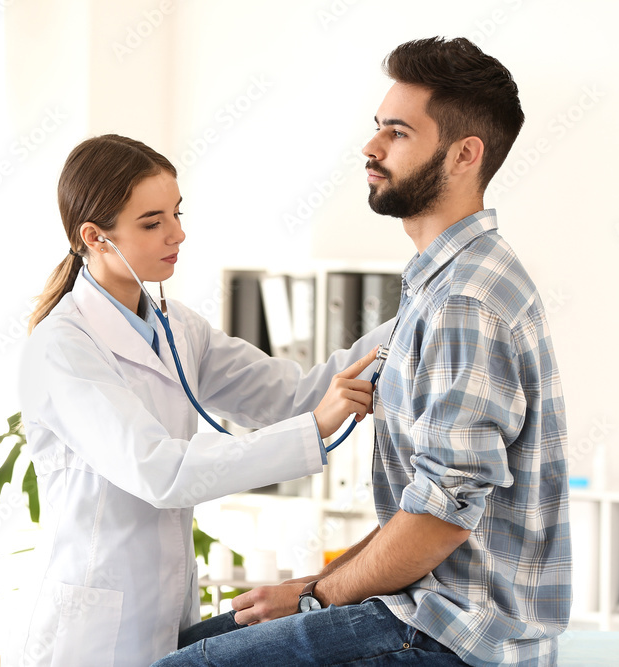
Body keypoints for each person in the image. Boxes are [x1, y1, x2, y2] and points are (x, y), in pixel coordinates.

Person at [154, 36, 570, 667]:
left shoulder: (464, 301)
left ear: (465, 154)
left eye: (397, 133)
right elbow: (424, 508)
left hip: (449, 638)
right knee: (189, 645)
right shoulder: (438, 286)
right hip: (424, 611)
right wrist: (311, 589)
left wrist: (313, 597)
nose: (372, 148)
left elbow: (439, 521)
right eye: (378, 127)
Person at [3, 134, 394, 666]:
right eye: (152, 222)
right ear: (94, 236)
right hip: (90, 636)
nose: (178, 233)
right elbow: (161, 472)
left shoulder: (177, 325)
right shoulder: (62, 347)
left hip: (165, 616)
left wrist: (410, 320)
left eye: (176, 213)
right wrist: (313, 430)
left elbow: (294, 393)